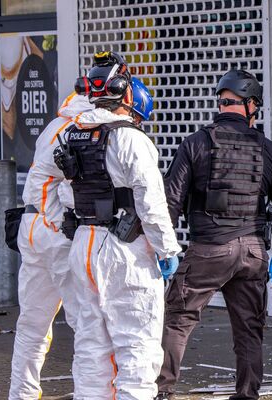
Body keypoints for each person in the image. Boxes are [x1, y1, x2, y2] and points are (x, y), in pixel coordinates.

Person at [156, 69, 272, 400]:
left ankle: (161, 391)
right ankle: (247, 395)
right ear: (250, 106)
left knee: (178, 320)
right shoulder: (269, 149)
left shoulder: (196, 143)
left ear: (222, 102)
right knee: (249, 329)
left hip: (208, 249)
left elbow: (170, 201)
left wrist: (164, 249)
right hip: (252, 251)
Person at [59, 51, 181, 399]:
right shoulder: (132, 139)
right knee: (137, 348)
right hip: (125, 249)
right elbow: (151, 204)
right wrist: (167, 250)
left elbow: (66, 196)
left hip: (84, 241)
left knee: (90, 347)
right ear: (126, 96)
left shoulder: (73, 136)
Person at [8, 92, 93, 400]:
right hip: (55, 232)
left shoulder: (56, 124)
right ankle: (89, 391)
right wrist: (69, 227)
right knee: (85, 322)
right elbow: (62, 187)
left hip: (31, 229)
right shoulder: (81, 129)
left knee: (32, 323)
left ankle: (22, 393)